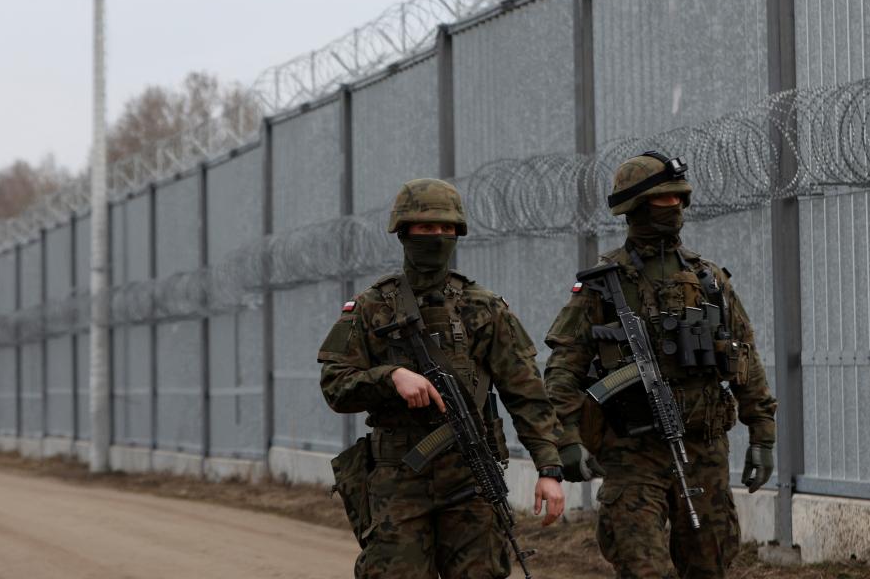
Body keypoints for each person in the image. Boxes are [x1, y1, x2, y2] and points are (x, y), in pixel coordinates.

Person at [544, 152, 777, 578]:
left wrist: (762, 433)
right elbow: (564, 367)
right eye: (662, 201)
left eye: (678, 200)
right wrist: (567, 439)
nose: (674, 209)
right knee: (641, 566)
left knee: (710, 565)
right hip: (632, 454)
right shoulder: (602, 285)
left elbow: (744, 357)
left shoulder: (709, 279)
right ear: (634, 207)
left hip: (703, 449)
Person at [319, 178, 565, 579]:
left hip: (471, 478)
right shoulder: (371, 308)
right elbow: (335, 385)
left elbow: (526, 393)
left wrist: (549, 470)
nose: (437, 237)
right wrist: (390, 376)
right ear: (404, 232)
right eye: (425, 228)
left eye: (446, 229)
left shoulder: (483, 308)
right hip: (398, 478)